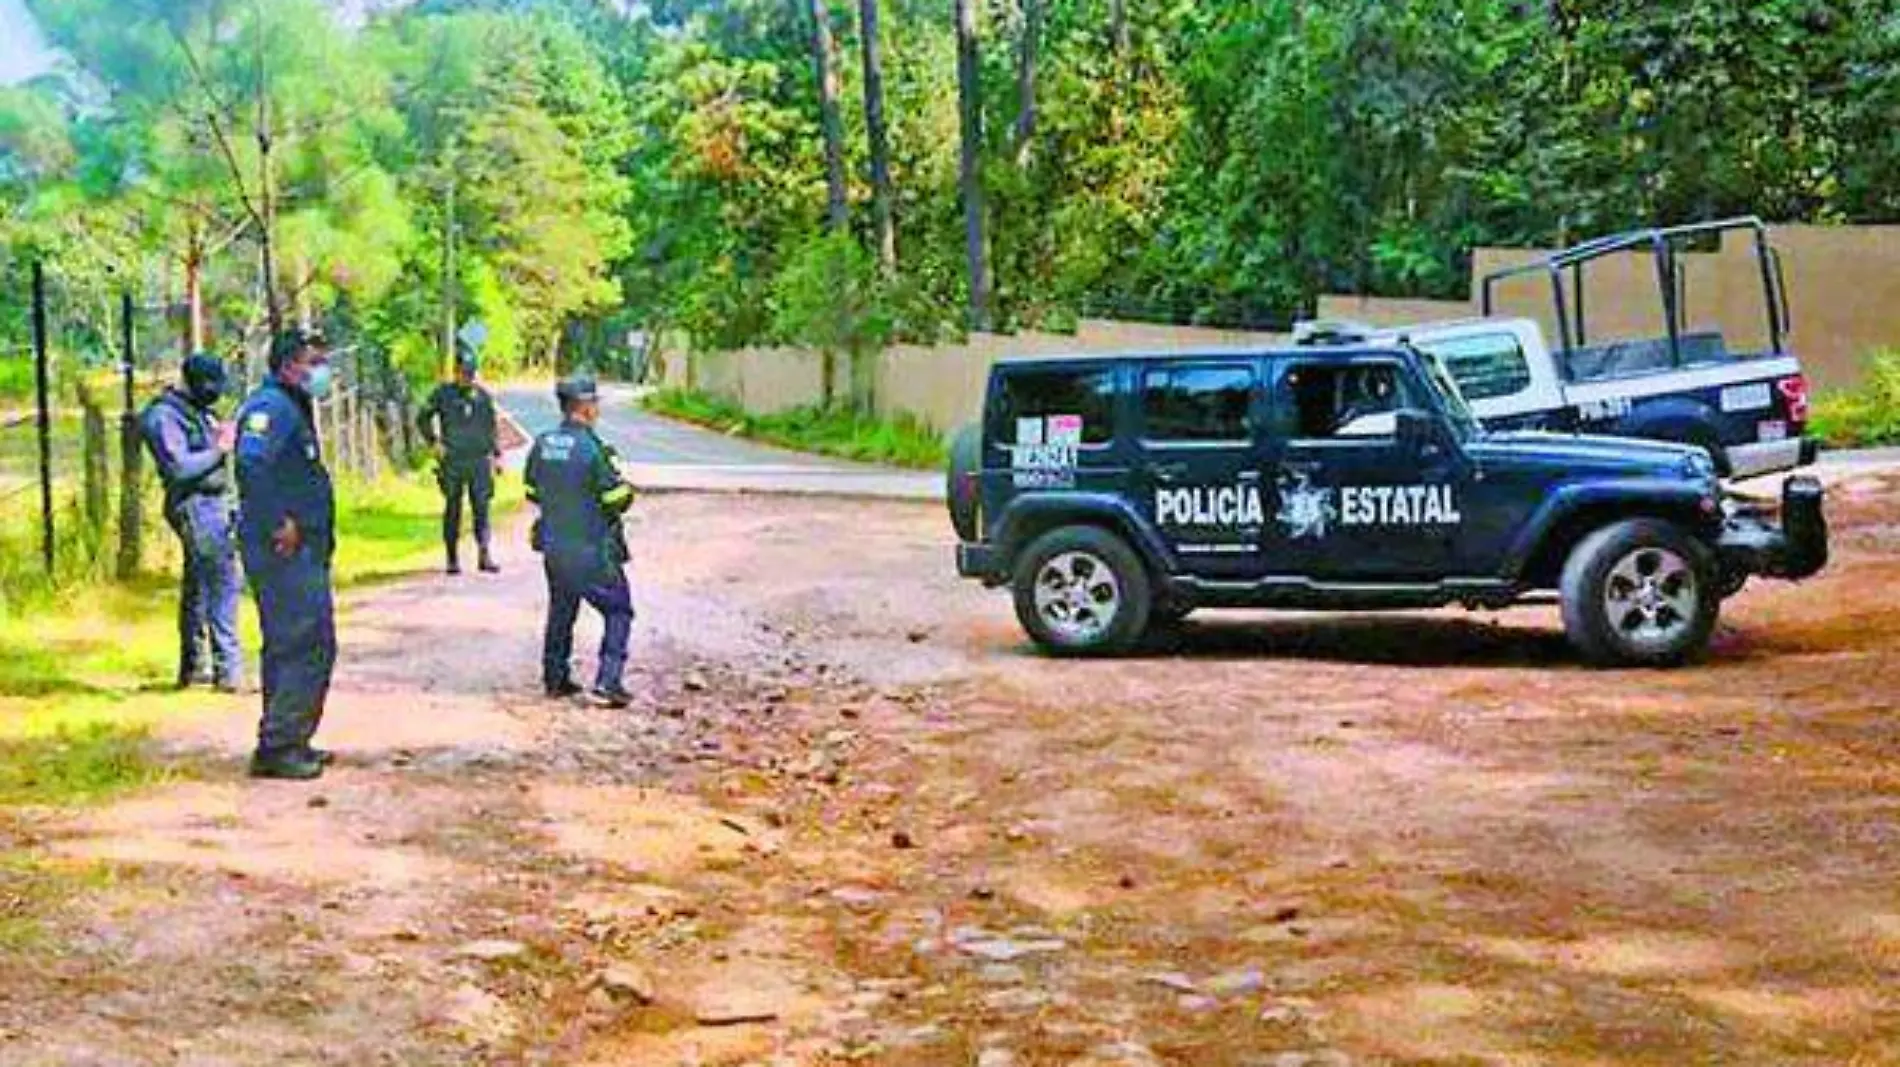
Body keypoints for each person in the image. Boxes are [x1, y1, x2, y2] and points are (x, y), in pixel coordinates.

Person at [233, 329, 338, 781]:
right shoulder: (270, 407)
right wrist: (279, 520)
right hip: (282, 549)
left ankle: (287, 737)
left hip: (301, 550)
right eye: (313, 361)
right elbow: (251, 463)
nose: (321, 371)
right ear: (288, 364)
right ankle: (280, 745)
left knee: (293, 641)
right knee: (305, 641)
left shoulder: (293, 406)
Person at [525, 374, 636, 708]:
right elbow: (615, 498)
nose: (597, 409)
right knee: (619, 610)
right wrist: (625, 487)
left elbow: (532, 491)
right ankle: (609, 680)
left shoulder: (543, 443)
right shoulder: (592, 447)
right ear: (585, 407)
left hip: (554, 545)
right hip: (591, 548)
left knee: (562, 610)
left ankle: (555, 678)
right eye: (595, 403)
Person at [140, 353, 243, 692]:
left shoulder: (198, 411)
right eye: (208, 385)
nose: (214, 392)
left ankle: (195, 667)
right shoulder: (163, 417)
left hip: (214, 503)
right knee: (223, 581)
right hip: (194, 505)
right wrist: (219, 448)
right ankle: (228, 670)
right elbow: (179, 468)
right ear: (191, 382)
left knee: (200, 586)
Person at [416, 344, 501, 575]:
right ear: (456, 372)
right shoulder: (443, 394)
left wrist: (497, 455)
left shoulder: (482, 396)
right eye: (464, 373)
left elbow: (491, 427)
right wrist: (433, 442)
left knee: (481, 508)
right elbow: (422, 418)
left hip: (479, 460)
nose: (468, 378)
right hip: (453, 459)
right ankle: (452, 558)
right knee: (453, 507)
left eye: (471, 373)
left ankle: (484, 554)